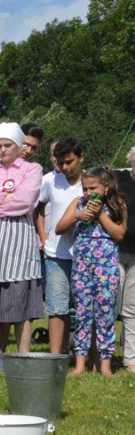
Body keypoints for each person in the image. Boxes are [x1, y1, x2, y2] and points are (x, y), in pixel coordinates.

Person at [0, 122, 44, 354]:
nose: (3, 150)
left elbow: (27, 199)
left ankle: (23, 353)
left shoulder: (32, 169)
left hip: (20, 236)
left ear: (17, 145)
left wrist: (0, 202)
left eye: (7, 145)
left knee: (21, 294)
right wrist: (6, 197)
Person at [57, 167, 127, 377]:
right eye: (85, 188)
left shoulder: (117, 204)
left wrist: (100, 216)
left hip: (106, 266)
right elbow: (60, 228)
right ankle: (80, 363)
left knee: (106, 314)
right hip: (82, 266)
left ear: (106, 187)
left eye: (93, 188)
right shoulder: (78, 203)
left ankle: (105, 365)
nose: (88, 193)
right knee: (82, 313)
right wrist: (78, 216)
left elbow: (119, 234)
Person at [35, 138, 85, 354]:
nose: (65, 167)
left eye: (70, 162)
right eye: (61, 162)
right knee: (57, 307)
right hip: (56, 254)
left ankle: (87, 355)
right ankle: (57, 356)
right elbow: (38, 207)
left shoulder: (92, 180)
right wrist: (43, 236)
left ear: (81, 158)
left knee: (85, 307)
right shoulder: (49, 180)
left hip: (86, 253)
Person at [113, 146, 135, 372]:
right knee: (111, 304)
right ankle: (104, 356)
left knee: (132, 308)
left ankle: (131, 359)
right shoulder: (119, 177)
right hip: (116, 250)